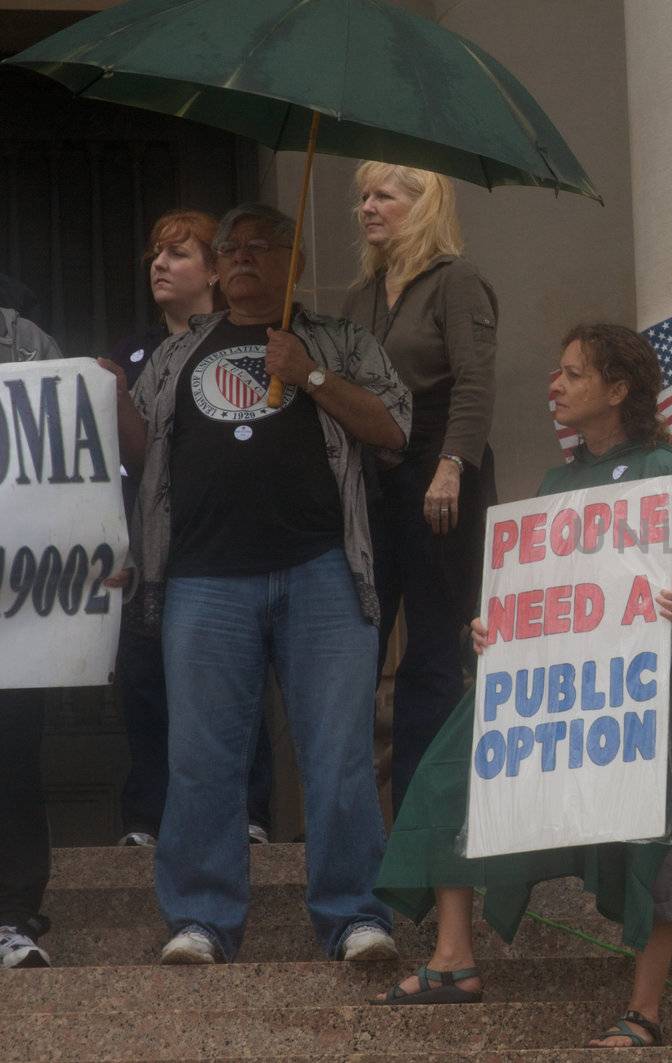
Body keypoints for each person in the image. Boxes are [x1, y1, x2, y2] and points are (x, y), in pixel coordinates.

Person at [369, 323, 672, 1049]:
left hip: (639, 696)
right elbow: (530, 597)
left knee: (656, 824)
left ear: (617, 390)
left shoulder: (665, 472)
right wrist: (488, 631)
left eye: (572, 373)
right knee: (448, 773)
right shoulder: (555, 485)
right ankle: (454, 959)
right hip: (558, 698)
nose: (554, 384)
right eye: (558, 370)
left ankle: (643, 1009)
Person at [123, 202, 412, 965]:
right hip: (204, 575)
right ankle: (202, 917)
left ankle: (353, 913)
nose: (244, 257)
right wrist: (100, 396)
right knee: (202, 754)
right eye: (233, 248)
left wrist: (309, 374)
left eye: (263, 247)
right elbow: (141, 445)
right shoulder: (179, 352)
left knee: (339, 750)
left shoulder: (340, 340)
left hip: (323, 568)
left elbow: (394, 428)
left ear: (296, 263)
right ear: (216, 271)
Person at [100, 209, 275, 849]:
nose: (159, 266)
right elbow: (116, 462)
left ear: (214, 271)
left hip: (226, 539)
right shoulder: (131, 355)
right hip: (148, 543)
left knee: (237, 676)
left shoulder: (249, 342)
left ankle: (249, 810)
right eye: (155, 256)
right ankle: (148, 814)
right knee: (146, 677)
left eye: (177, 255)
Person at [342, 163, 498, 812]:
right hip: (374, 484)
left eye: (383, 195)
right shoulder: (361, 296)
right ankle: (354, 822)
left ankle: (420, 823)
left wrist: (453, 462)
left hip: (441, 479)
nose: (367, 208)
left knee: (433, 653)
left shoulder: (457, 283)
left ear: (423, 203)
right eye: (362, 197)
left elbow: (474, 382)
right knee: (357, 647)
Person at [0, 302, 64, 969]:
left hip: (14, 597)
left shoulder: (23, 341)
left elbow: (72, 461)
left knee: (13, 753)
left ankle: (12, 913)